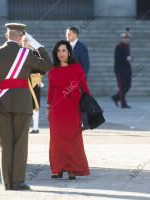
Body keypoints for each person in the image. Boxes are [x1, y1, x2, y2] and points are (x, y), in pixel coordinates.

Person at [0, 23, 53, 190]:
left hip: (1, 103)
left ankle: (7, 182)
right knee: (20, 142)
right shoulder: (26, 54)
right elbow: (48, 65)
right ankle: (18, 181)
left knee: (4, 143)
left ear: (6, 35)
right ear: (22, 37)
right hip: (22, 103)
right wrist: (38, 46)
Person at [47, 40, 90, 180]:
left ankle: (72, 169)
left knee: (73, 139)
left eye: (63, 50)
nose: (61, 53)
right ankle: (57, 169)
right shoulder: (53, 69)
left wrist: (89, 106)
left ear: (69, 52)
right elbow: (50, 91)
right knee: (56, 140)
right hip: (56, 109)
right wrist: (48, 108)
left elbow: (84, 88)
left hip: (73, 108)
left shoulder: (77, 67)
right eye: (58, 51)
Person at [66, 27, 90, 130]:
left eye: (69, 34)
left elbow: (86, 65)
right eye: (67, 34)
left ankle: (85, 122)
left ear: (75, 35)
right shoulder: (68, 47)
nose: (67, 36)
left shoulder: (81, 47)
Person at [21, 35, 45, 134]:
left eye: (27, 41)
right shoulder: (18, 54)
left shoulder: (35, 53)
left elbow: (43, 68)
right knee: (23, 104)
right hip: (22, 81)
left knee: (35, 104)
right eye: (23, 41)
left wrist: (38, 77)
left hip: (34, 81)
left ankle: (35, 127)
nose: (25, 43)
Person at [111, 28, 132, 108]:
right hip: (120, 70)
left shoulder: (127, 46)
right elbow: (117, 58)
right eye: (125, 38)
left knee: (128, 85)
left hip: (127, 70)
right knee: (122, 86)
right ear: (122, 39)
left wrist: (130, 58)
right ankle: (123, 103)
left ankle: (116, 97)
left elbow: (127, 56)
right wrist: (126, 58)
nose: (126, 40)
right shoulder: (118, 46)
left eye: (127, 38)